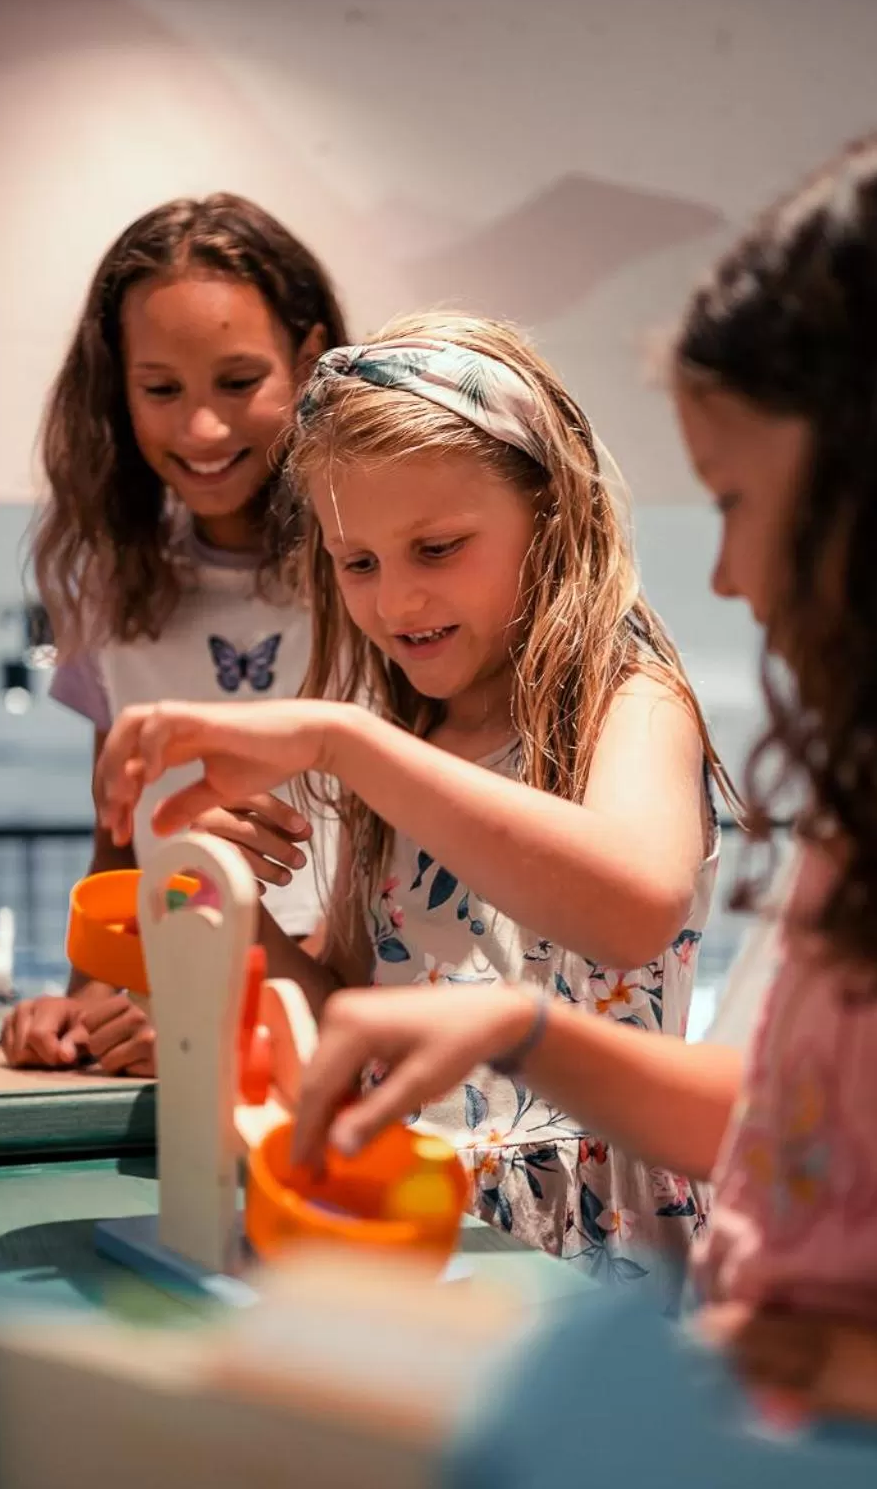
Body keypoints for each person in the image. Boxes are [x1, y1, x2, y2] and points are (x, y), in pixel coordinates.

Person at [277, 118, 877, 1470]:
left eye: (747, 505)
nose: (725, 581)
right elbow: (798, 1124)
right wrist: (513, 1029)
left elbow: (640, 912)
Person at [97, 312, 731, 1289]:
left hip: (598, 1272)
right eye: (359, 564)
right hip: (406, 1236)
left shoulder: (629, 697)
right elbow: (351, 1023)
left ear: (550, 515)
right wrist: (233, 904)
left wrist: (339, 740)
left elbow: (630, 908)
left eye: (435, 549)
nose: (394, 604)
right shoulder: (401, 748)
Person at [0, 195, 348, 1077]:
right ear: (117, 386)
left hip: (340, 1029)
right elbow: (119, 840)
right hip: (184, 1027)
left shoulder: (374, 575)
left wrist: (228, 1020)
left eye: (239, 382)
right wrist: (85, 1002)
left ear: (310, 361)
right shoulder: (108, 586)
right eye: (162, 389)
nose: (201, 429)